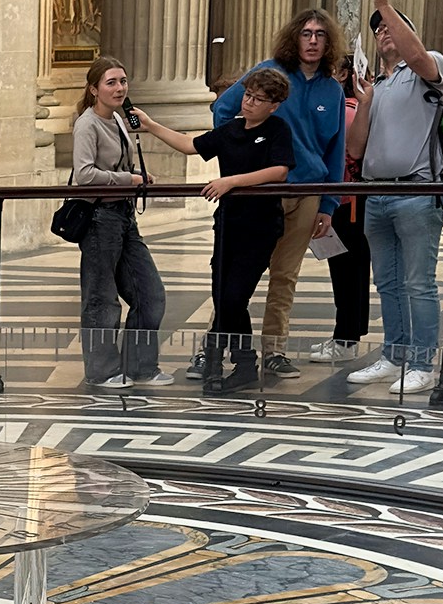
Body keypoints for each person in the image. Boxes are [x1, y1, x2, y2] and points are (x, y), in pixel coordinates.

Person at [200, 8, 346, 381]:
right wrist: (241, 155)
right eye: (306, 33)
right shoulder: (270, 73)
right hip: (262, 192)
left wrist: (328, 204)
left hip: (308, 192)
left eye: (320, 35)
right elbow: (224, 109)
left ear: (329, 43)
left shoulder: (332, 89)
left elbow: (335, 150)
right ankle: (215, 346)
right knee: (235, 277)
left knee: (285, 275)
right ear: (294, 38)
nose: (313, 41)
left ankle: (275, 350)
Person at [134, 67, 296, 394]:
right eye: (248, 95)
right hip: (229, 224)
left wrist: (230, 182)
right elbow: (189, 145)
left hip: (261, 225)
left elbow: (279, 171)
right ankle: (241, 361)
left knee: (235, 295)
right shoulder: (231, 129)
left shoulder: (278, 129)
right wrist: (150, 126)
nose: (249, 103)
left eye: (258, 99)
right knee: (223, 296)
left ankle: (226, 356)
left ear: (273, 105)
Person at [345, 0, 443, 394]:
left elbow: (419, 56)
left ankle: (422, 361)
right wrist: (366, 99)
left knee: (417, 281)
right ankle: (394, 354)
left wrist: (385, 5)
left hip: (416, 192)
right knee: (386, 281)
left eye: (392, 26)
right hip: (378, 195)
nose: (384, 31)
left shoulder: (430, 68)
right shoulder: (381, 86)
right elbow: (355, 148)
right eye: (378, 29)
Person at [70, 56, 170, 388]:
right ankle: (102, 370)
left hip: (124, 216)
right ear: (94, 89)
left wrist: (134, 178)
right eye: (111, 82)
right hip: (100, 219)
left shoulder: (118, 118)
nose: (119, 88)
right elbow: (84, 174)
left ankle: (140, 366)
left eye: (123, 81)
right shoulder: (87, 124)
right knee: (101, 297)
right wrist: (127, 178)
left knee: (150, 293)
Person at [309, 55, 373, 364]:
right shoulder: (349, 109)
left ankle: (346, 338)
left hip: (345, 203)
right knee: (351, 269)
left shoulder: (347, 111)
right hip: (349, 201)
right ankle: (347, 335)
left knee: (347, 271)